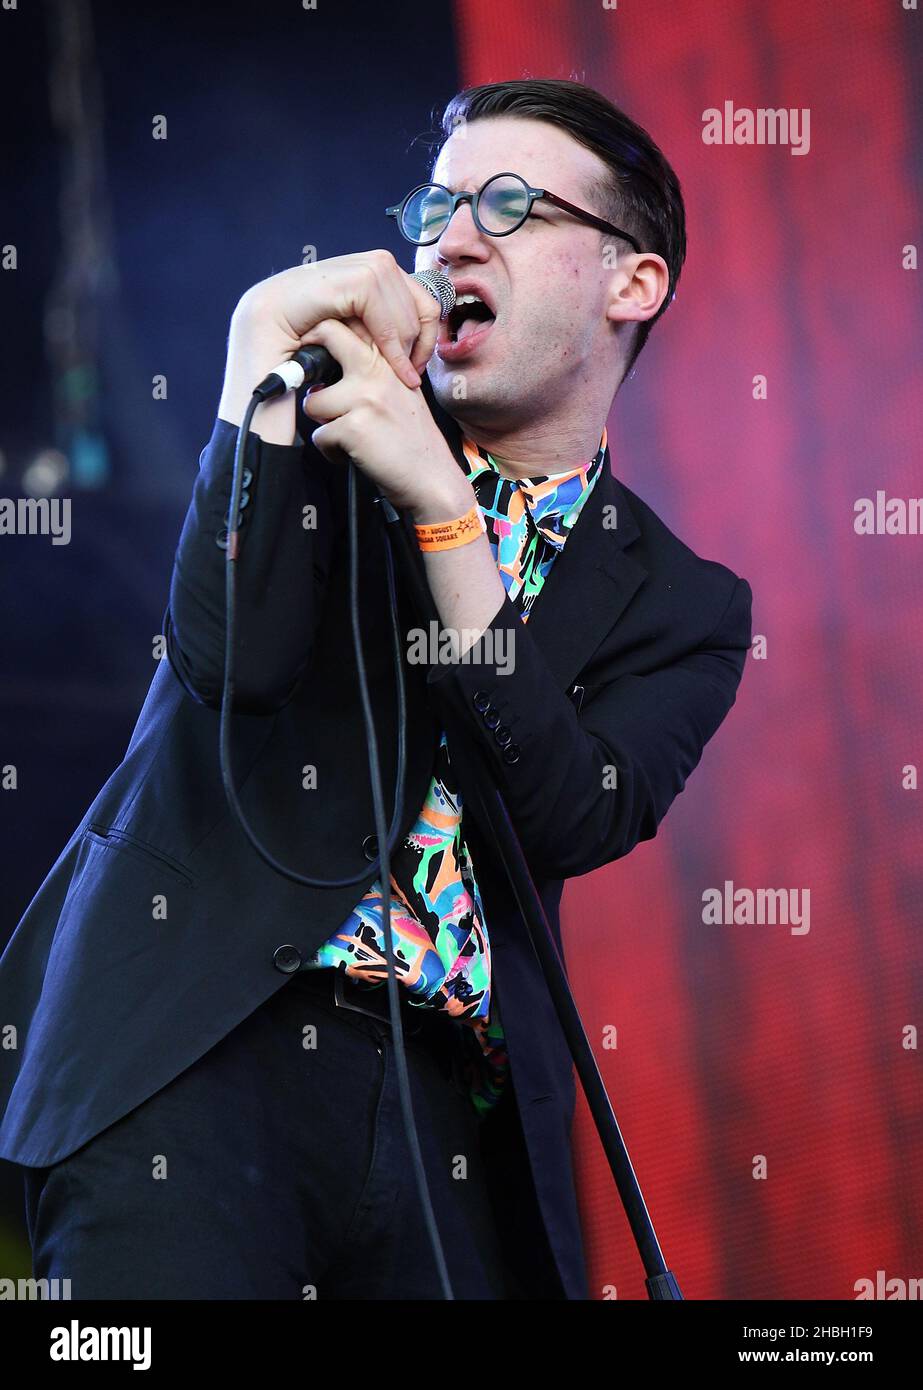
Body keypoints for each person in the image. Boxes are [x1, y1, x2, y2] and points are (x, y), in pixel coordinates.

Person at [0, 78, 752, 1300]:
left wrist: (448, 520)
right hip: (196, 1052)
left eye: (508, 205)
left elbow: (570, 810)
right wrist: (257, 364)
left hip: (448, 1119)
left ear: (632, 283)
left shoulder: (686, 606)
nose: (450, 235)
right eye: (437, 204)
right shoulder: (320, 427)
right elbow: (222, 664)